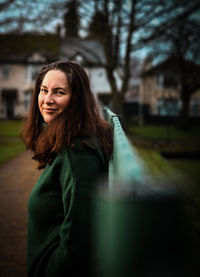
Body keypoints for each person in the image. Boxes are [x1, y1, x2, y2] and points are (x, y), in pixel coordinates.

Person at [21, 61, 113, 277]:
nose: (47, 100)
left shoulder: (77, 153)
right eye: (44, 90)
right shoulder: (68, 141)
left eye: (59, 92)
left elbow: (76, 246)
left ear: (77, 100)